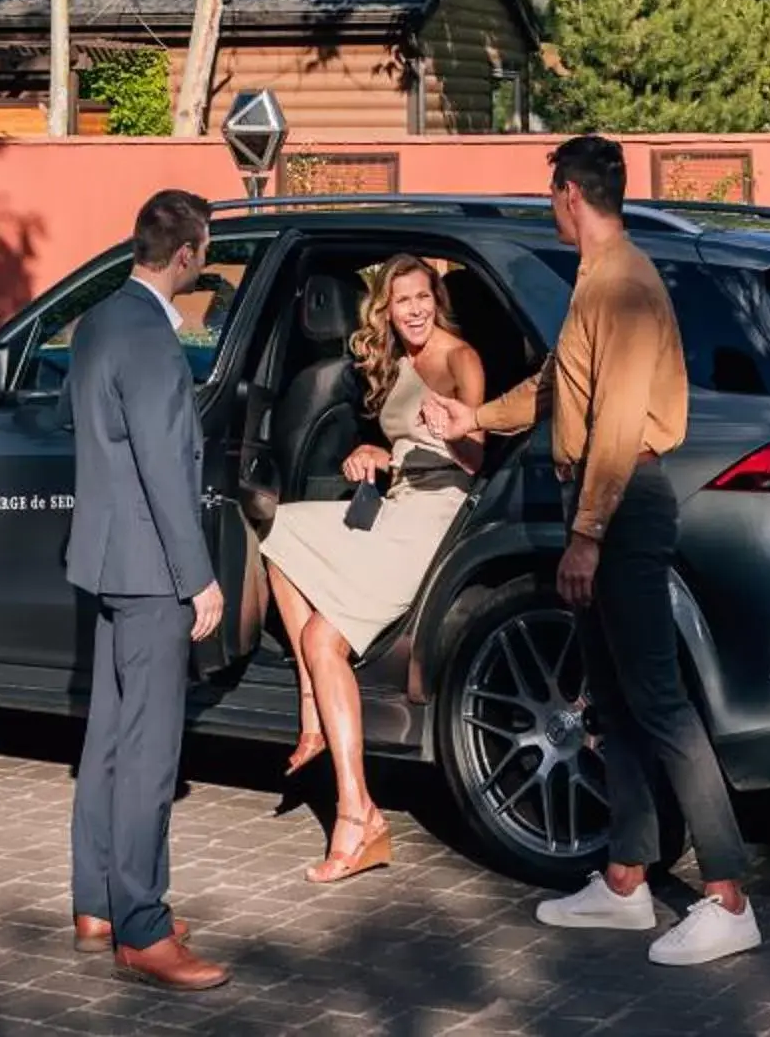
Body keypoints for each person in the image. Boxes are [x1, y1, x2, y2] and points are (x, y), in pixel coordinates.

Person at [420, 136, 759, 969]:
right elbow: (556, 387)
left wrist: (586, 535)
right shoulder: (596, 283)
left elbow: (615, 423)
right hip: (607, 502)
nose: (550, 206)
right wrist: (476, 419)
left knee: (660, 702)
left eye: (551, 194)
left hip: (625, 505)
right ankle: (623, 881)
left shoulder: (628, 285)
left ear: (571, 193)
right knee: (612, 697)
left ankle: (728, 898)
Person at [260, 254, 485, 883]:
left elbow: (476, 457)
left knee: (320, 637)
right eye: (400, 300)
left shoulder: (459, 358)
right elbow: (407, 449)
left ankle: (358, 820)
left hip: (436, 514)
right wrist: (376, 453)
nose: (412, 310)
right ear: (384, 309)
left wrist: (455, 431)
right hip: (396, 503)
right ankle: (318, 718)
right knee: (279, 529)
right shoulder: (397, 361)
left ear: (436, 300)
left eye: (422, 297)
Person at [65, 188, 232, 993]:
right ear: (189, 254)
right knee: (149, 750)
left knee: (105, 737)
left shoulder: (97, 321)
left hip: (101, 560)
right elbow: (168, 473)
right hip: (152, 570)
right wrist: (199, 577)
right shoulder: (159, 345)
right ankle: (142, 925)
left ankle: (95, 901)